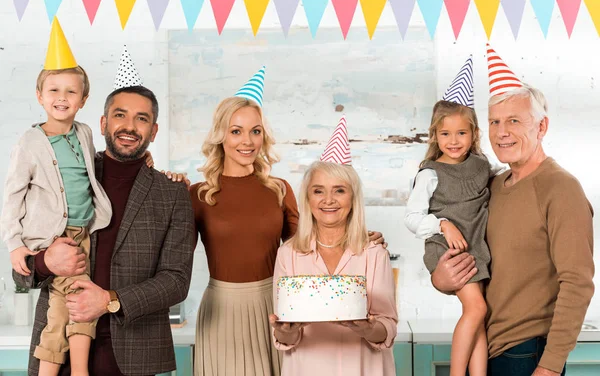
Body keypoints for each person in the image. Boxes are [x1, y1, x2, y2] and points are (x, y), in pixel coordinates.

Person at [190, 68, 385, 376]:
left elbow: (310, 243)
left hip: (278, 308)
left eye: (255, 131)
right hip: (221, 311)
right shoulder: (198, 194)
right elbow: (173, 256)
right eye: (236, 131)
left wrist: (359, 236)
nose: (248, 141)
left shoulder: (278, 189)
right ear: (220, 136)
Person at [431, 45, 594, 376]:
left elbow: (577, 282)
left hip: (527, 353)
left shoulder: (560, 188)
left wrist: (549, 367)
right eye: (494, 122)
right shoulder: (489, 185)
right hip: (486, 350)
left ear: (542, 127)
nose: (502, 132)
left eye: (514, 121)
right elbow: (471, 260)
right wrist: (441, 279)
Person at [13, 84, 196, 376]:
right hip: (57, 356)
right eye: (120, 115)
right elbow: (20, 274)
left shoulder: (172, 194)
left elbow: (176, 281)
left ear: (154, 130)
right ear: (102, 123)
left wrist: (110, 300)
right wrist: (45, 261)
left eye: (141, 118)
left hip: (134, 358)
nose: (129, 126)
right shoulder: (61, 176)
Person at [2, 18, 143, 376]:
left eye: (70, 91)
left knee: (76, 300)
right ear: (39, 96)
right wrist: (15, 244)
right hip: (54, 235)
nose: (61, 98)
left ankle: (76, 370)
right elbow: (12, 195)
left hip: (85, 231)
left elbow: (89, 169)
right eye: (53, 90)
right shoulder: (31, 142)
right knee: (69, 300)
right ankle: (75, 371)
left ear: (83, 100)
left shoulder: (82, 133)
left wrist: (145, 160)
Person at [268, 116, 397, 376]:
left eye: (339, 190)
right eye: (318, 191)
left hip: (364, 367)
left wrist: (366, 328)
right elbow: (285, 337)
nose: (328, 200)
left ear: (352, 197)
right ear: (308, 198)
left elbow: (388, 326)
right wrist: (284, 330)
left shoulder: (374, 253)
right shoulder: (289, 254)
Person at [404, 57, 501, 376]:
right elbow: (413, 217)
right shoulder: (430, 173)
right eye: (446, 134)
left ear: (473, 133)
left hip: (475, 247)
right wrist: (442, 224)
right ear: (435, 135)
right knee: (477, 307)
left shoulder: (480, 164)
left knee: (478, 316)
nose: (454, 141)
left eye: (462, 133)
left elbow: (495, 183)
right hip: (448, 248)